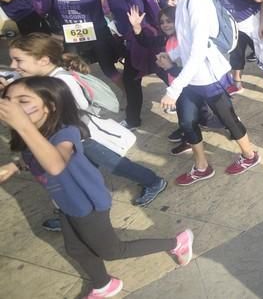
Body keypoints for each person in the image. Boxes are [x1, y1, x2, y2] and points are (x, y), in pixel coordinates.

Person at [0, 76, 193, 298]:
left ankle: (177, 243)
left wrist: (22, 125)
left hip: (87, 204)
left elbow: (55, 164)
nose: (13, 108)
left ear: (50, 106)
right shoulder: (35, 133)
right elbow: (35, 157)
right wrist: (15, 166)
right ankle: (103, 284)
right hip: (66, 202)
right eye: (8, 101)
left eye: (23, 101)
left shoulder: (65, 133)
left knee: (111, 251)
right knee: (75, 248)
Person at [5, 33, 168, 212]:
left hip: (84, 138)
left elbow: (80, 106)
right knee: (79, 174)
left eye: (18, 60)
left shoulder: (62, 80)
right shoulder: (41, 80)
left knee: (117, 165)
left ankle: (154, 181)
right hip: (71, 138)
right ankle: (74, 210)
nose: (13, 66)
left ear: (43, 60)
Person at [157, 0, 260, 185]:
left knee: (227, 118)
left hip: (207, 76)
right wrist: (172, 59)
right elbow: (185, 40)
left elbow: (199, 48)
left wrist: (173, 89)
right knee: (187, 122)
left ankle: (249, 154)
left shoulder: (198, 1)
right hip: (190, 75)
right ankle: (201, 166)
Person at [55, 0, 155, 130]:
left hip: (142, 38)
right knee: (134, 79)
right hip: (133, 39)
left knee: (165, 76)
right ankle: (134, 119)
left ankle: (201, 109)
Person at [215, 0, 263, 95]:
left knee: (262, 52)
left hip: (250, 21)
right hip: (232, 24)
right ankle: (237, 83)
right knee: (235, 52)